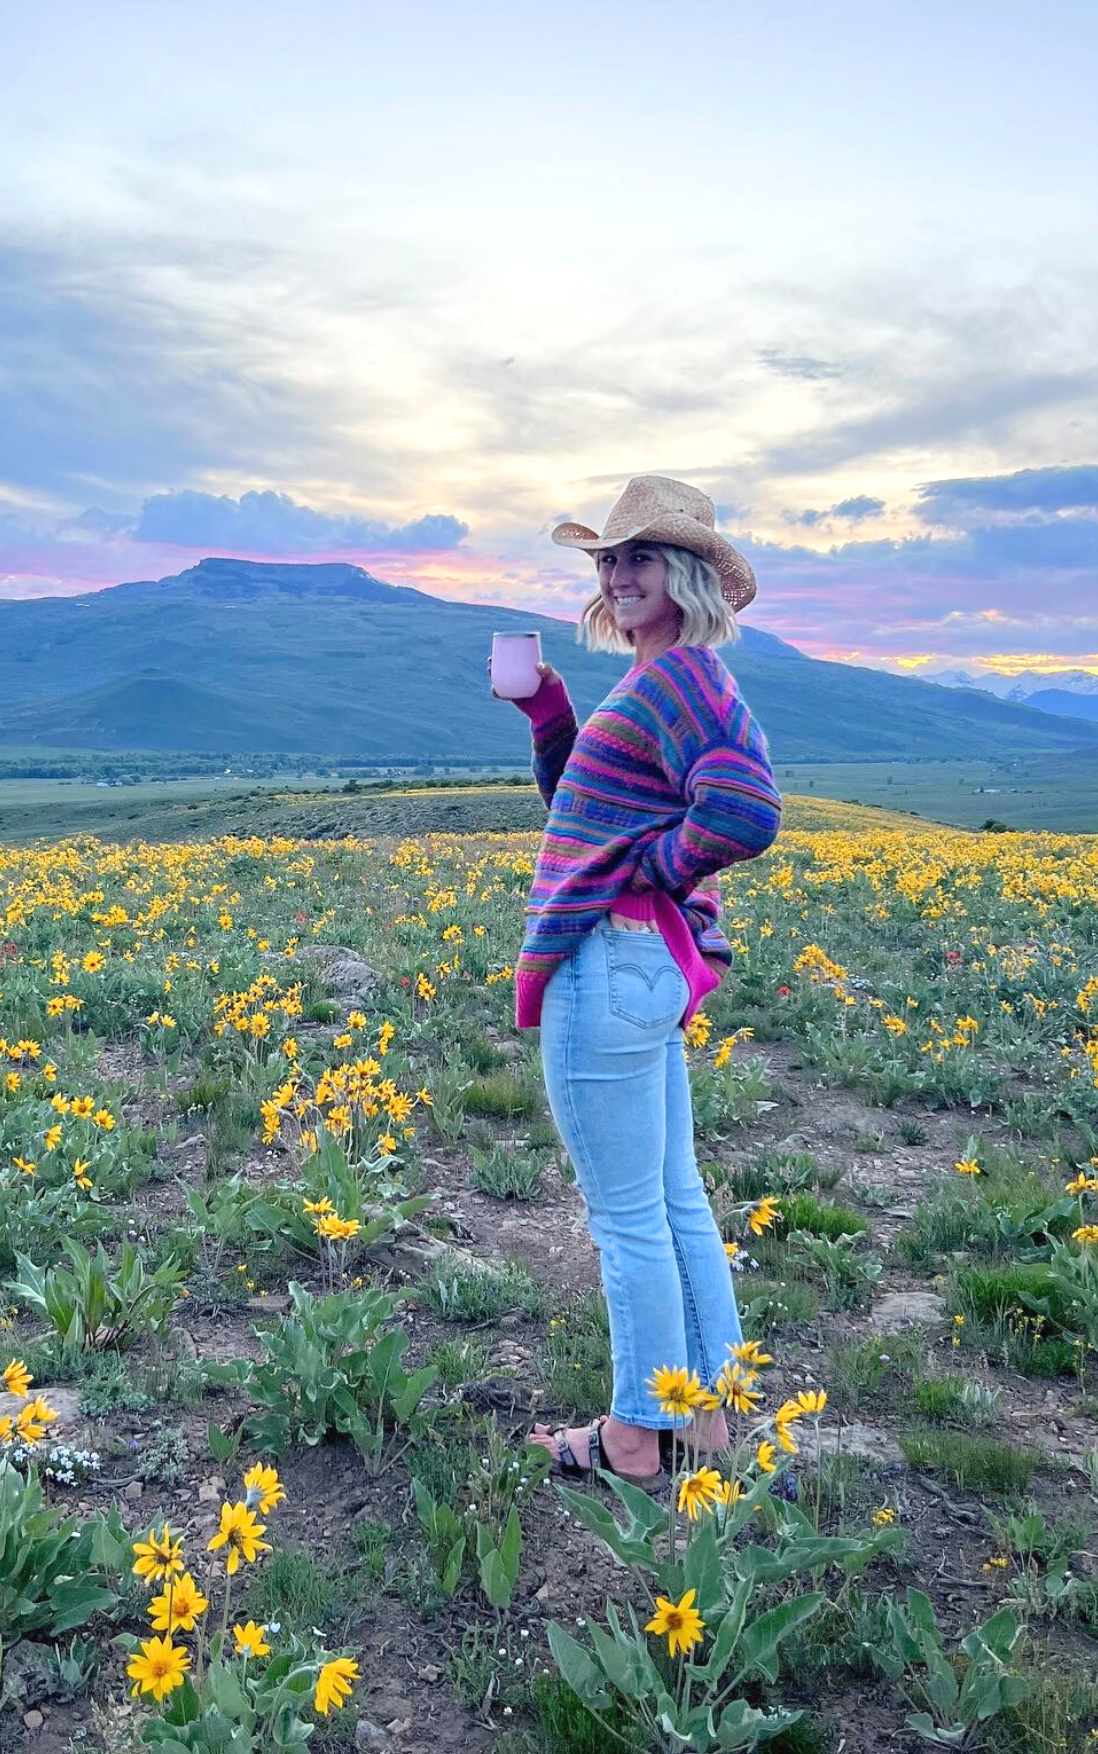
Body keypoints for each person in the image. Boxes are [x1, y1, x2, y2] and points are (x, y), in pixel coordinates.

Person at [504, 474, 782, 1489]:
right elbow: (591, 812)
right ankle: (705, 1427)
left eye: (639, 556)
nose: (618, 574)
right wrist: (548, 713)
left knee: (630, 1215)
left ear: (690, 572)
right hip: (640, 959)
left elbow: (745, 811)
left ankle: (633, 1436)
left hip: (611, 957)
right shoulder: (665, 676)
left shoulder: (683, 680)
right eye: (608, 559)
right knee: (673, 1201)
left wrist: (655, 870)